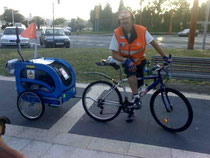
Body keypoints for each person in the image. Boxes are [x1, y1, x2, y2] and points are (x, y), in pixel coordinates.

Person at [109, 10, 171, 122]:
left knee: (138, 87)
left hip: (140, 61)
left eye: (126, 19)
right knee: (134, 87)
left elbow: (154, 43)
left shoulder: (142, 30)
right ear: (120, 22)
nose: (124, 22)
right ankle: (131, 110)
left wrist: (164, 57)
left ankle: (135, 98)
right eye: (122, 20)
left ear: (132, 20)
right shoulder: (117, 33)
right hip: (127, 62)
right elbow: (114, 54)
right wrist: (126, 60)